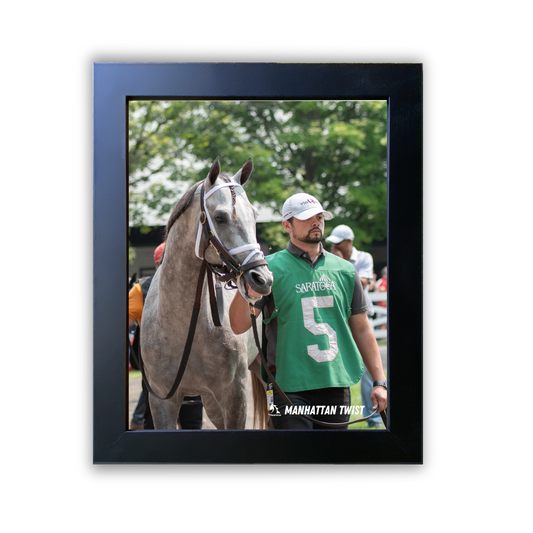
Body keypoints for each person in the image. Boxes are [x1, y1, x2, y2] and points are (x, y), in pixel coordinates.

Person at [229, 193, 387, 429]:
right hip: (286, 387)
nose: (316, 222)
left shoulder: (345, 270)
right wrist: (246, 286)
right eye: (306, 218)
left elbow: (363, 329)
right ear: (287, 225)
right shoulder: (269, 269)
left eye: (319, 217)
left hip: (335, 383)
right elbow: (238, 325)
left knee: (332, 463)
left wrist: (379, 382)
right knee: (296, 462)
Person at [128, 242, 203, 430]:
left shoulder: (142, 289)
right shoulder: (142, 289)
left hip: (176, 374)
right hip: (171, 375)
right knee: (180, 429)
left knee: (170, 431)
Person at [326, 224, 383, 428]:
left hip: (359, 317)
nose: (334, 246)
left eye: (338, 243)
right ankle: (338, 417)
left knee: (368, 369)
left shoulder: (364, 257)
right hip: (340, 318)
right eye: (332, 244)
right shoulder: (332, 259)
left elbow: (364, 283)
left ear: (349, 242)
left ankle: (373, 417)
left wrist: (339, 264)